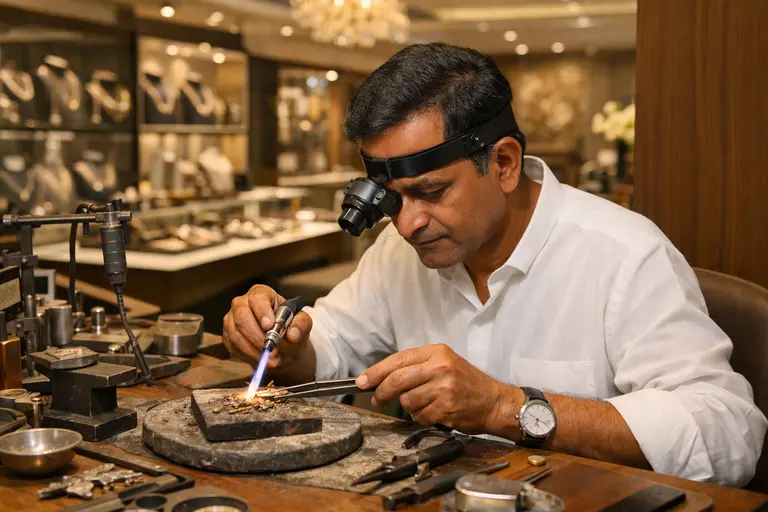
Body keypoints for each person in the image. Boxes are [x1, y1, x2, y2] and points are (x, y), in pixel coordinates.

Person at [223, 42, 766, 486]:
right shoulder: (398, 249)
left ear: (504, 163)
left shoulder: (624, 254)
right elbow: (333, 349)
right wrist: (285, 342)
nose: (407, 224)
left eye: (431, 191)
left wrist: (506, 407)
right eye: (391, 197)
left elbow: (727, 432)